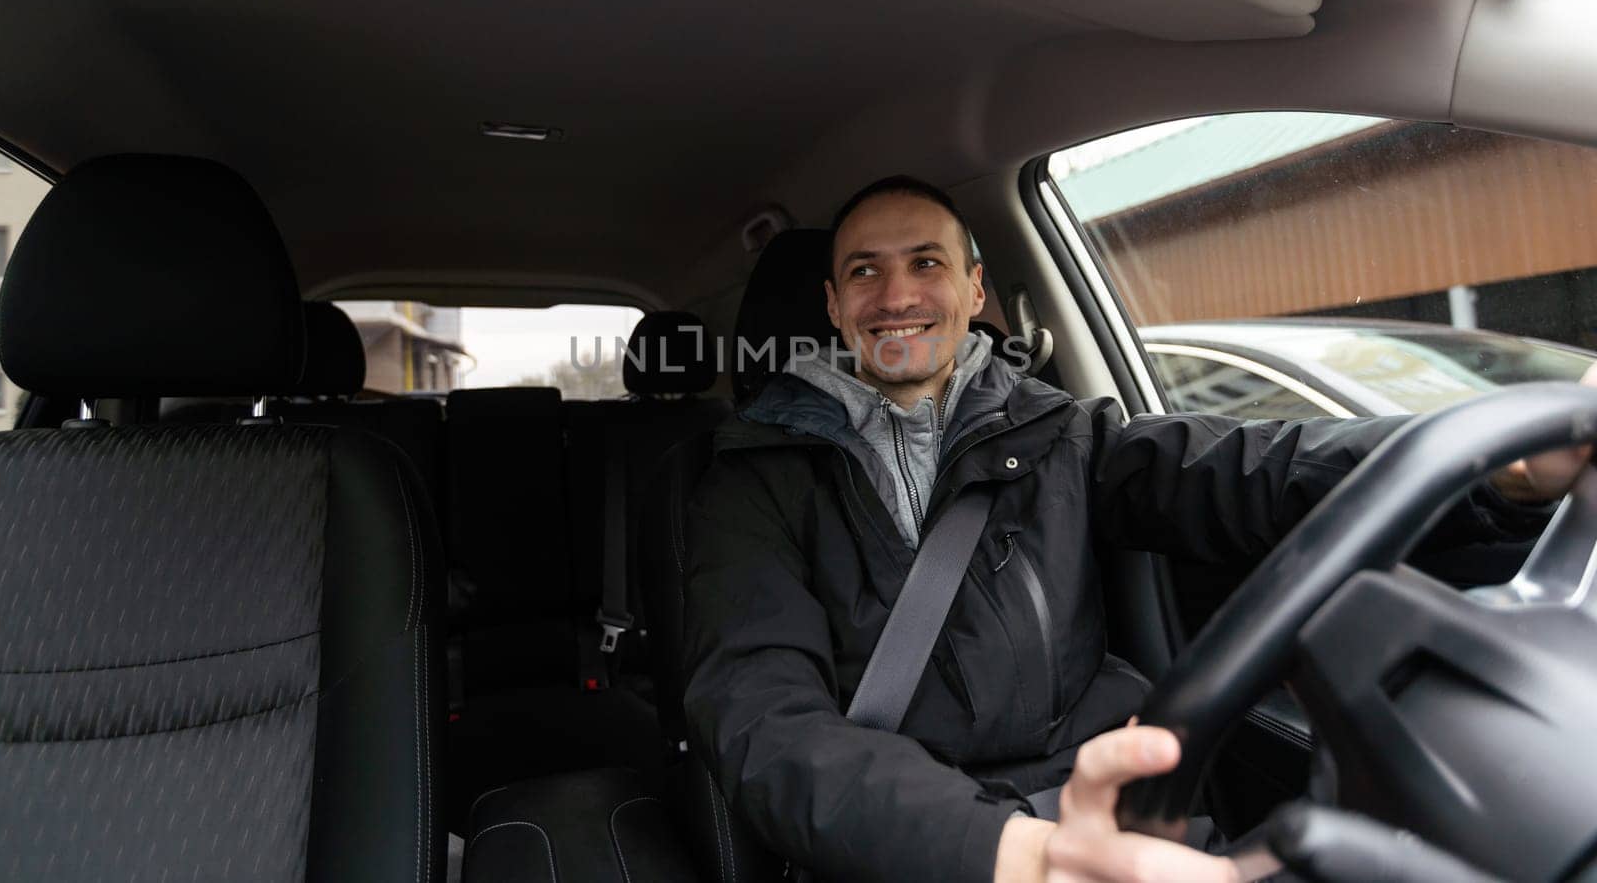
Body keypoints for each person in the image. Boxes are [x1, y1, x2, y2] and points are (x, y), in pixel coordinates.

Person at [681, 176, 1595, 883]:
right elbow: (764, 718)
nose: (896, 295)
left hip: (1124, 815)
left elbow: (1254, 467)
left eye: (925, 263)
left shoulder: (1068, 435)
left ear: (973, 287)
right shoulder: (755, 474)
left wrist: (1502, 464)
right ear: (836, 307)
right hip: (915, 848)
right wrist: (1015, 852)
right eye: (864, 272)